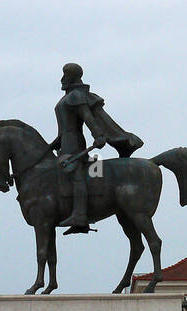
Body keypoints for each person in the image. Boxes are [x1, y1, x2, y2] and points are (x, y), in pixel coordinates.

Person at [49, 63, 143, 234]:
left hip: (74, 145)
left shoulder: (76, 96)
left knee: (76, 174)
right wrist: (51, 145)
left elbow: (88, 117)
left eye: (65, 74)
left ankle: (79, 217)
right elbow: (63, 130)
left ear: (71, 76)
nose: (62, 78)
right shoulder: (69, 97)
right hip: (65, 143)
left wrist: (98, 135)